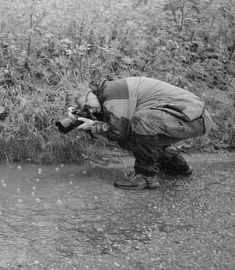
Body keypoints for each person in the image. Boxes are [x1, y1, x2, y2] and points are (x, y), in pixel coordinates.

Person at [69, 76, 215, 190]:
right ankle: (175, 164)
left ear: (92, 94)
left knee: (141, 121)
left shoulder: (113, 92)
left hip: (195, 118)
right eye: (85, 109)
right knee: (134, 133)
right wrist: (87, 121)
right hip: (187, 118)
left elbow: (118, 131)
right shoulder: (109, 94)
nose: (90, 110)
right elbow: (120, 131)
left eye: (88, 106)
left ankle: (146, 177)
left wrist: (94, 125)